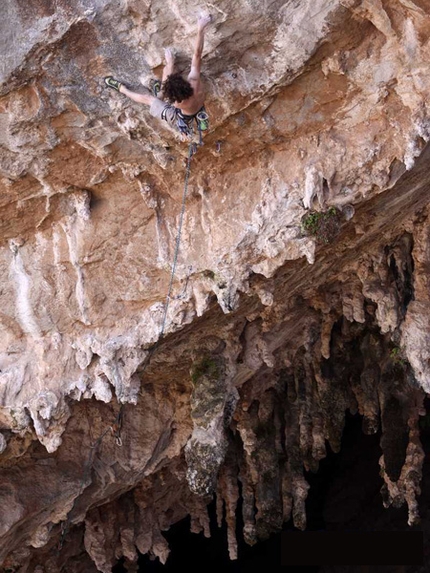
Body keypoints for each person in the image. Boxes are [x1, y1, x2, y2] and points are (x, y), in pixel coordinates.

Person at [104, 14, 212, 139]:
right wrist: (200, 29)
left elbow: (164, 98)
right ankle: (196, 114)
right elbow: (197, 54)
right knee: (162, 93)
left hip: (178, 117)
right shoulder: (195, 82)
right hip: (195, 107)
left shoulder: (177, 104)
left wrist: (170, 64)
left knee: (150, 99)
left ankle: (122, 89)